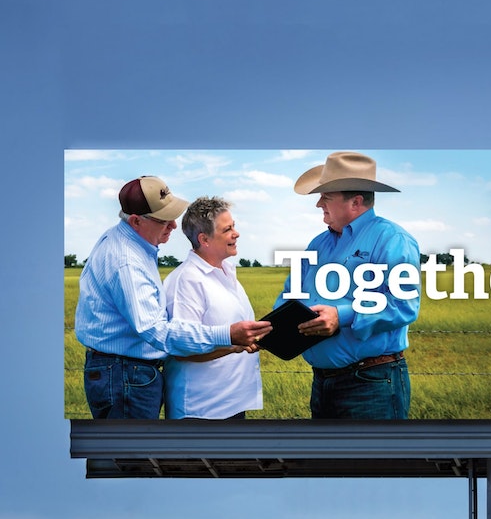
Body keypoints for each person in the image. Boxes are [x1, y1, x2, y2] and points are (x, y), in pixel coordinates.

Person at [75, 176, 272, 419]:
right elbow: (158, 331)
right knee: (131, 445)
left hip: (125, 371)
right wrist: (229, 336)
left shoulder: (127, 242)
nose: (173, 225)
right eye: (163, 220)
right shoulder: (127, 261)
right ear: (136, 221)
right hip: (125, 373)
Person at [275, 152, 420, 419]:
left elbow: (404, 305)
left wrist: (340, 316)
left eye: (326, 196)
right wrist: (273, 329)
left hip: (371, 384)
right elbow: (290, 294)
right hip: (322, 383)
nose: (318, 203)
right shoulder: (318, 244)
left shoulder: (392, 239)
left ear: (355, 202)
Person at [163, 197, 263, 419]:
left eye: (234, 226)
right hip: (201, 411)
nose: (236, 234)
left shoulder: (227, 272)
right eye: (228, 229)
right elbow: (181, 349)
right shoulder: (187, 280)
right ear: (204, 239)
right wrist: (234, 344)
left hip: (232, 404)